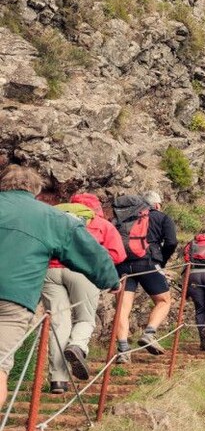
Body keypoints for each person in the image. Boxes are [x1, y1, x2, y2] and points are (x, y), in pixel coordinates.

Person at [0, 166, 119, 406]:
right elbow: (94, 253)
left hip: (48, 278)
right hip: (13, 299)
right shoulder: (51, 217)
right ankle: (73, 351)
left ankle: (58, 377)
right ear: (35, 190)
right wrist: (110, 280)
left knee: (59, 322)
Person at [42, 194, 126, 394]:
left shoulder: (53, 219)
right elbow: (118, 254)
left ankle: (58, 381)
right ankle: (78, 346)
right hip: (83, 272)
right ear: (95, 208)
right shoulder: (100, 224)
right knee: (85, 318)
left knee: (58, 324)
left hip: (49, 272)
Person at [113, 191, 178, 362]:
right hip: (148, 263)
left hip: (122, 264)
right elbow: (171, 242)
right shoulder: (162, 217)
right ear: (156, 204)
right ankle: (149, 334)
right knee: (164, 300)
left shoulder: (123, 218)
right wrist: (161, 260)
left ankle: (123, 350)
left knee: (123, 308)